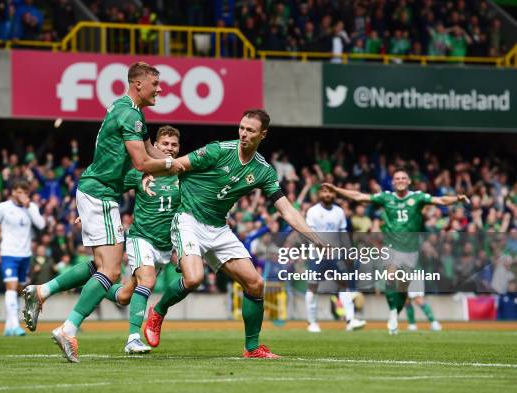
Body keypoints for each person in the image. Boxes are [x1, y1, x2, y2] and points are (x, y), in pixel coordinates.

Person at [22, 62, 184, 363]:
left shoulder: (129, 110)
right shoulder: (130, 115)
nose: (160, 89)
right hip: (101, 194)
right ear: (138, 85)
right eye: (155, 83)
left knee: (102, 265)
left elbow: (152, 152)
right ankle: (68, 329)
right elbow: (141, 163)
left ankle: (42, 291)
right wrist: (173, 166)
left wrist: (184, 162)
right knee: (109, 271)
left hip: (96, 193)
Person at [143, 109, 326, 358]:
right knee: (194, 278)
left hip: (219, 228)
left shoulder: (263, 171)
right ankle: (158, 312)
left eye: (250, 130)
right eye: (241, 127)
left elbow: (286, 209)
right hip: (188, 219)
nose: (243, 133)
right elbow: (178, 165)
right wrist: (150, 171)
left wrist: (314, 238)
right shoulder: (218, 150)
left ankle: (252, 348)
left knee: (255, 284)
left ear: (263, 134)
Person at [324, 169, 468, 334]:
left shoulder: (418, 197)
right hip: (392, 247)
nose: (400, 180)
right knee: (390, 278)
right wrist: (336, 190)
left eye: (403, 178)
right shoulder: (386, 197)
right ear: (393, 183)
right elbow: (359, 196)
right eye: (397, 178)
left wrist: (457, 199)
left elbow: (440, 200)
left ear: (408, 182)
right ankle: (393, 313)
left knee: (403, 290)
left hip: (411, 251)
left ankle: (395, 312)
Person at [110, 125, 182, 354]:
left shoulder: (184, 174)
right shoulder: (139, 172)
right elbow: (111, 189)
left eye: (174, 145)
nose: (169, 149)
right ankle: (133, 339)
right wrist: (88, 211)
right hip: (141, 237)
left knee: (123, 296)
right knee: (148, 282)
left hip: (164, 246)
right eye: (165, 144)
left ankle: (98, 282)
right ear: (155, 146)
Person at [0, 179, 46, 336]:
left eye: (25, 192)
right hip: (8, 253)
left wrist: (29, 206)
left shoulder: (32, 207)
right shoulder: (3, 207)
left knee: (17, 290)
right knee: (11, 286)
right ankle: (15, 325)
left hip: (25, 255)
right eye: (19, 191)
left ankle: (8, 326)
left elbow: (41, 225)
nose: (22, 195)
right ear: (13, 192)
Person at [304, 185, 366, 333]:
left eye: (330, 191)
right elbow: (310, 233)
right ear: (320, 193)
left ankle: (350, 320)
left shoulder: (339, 212)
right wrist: (321, 247)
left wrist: (349, 250)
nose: (327, 194)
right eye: (324, 191)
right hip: (316, 256)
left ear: (334, 194)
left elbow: (343, 233)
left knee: (343, 285)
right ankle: (311, 322)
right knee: (313, 287)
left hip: (335, 255)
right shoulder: (313, 211)